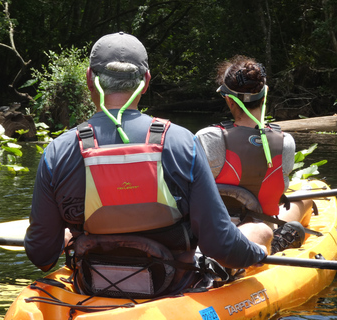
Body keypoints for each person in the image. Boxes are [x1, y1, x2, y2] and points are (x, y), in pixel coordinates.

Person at [24, 33, 266, 298]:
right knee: (260, 230)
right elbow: (221, 244)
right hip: (173, 291)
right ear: (146, 81)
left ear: (89, 79)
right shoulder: (181, 141)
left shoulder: (56, 152)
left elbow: (42, 256)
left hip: (92, 286)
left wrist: (67, 239)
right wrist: (259, 252)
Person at [195, 55, 313, 255]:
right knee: (307, 197)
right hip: (262, 229)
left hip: (216, 230)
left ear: (228, 99)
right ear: (265, 95)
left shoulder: (208, 138)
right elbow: (277, 189)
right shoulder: (286, 142)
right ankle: (280, 237)